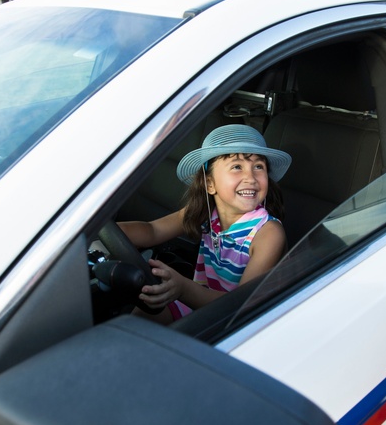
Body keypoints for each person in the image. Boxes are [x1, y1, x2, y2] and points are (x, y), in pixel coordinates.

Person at [118, 124, 291, 321]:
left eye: (258, 167)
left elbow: (240, 304)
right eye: (236, 167)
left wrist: (183, 288)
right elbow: (153, 230)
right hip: (203, 302)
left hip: (236, 319)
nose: (250, 177)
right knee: (141, 315)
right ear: (210, 184)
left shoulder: (268, 233)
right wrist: (101, 231)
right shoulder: (206, 214)